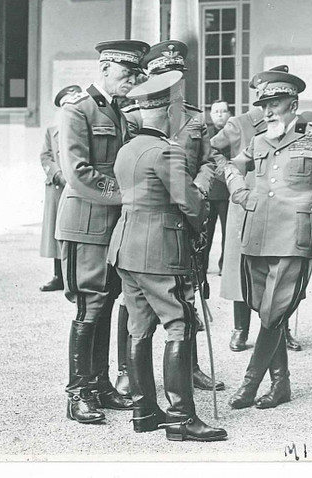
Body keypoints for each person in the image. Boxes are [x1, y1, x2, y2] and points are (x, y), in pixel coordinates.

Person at [223, 69, 312, 411]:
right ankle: (281, 384)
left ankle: (250, 384)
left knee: (274, 311)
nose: (268, 112)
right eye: (264, 105)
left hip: (295, 237)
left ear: (293, 104)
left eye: (275, 104)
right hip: (256, 236)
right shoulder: (258, 141)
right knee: (264, 310)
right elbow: (230, 167)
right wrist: (240, 193)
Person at [107, 70, 227, 441]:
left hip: (126, 248)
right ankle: (181, 418)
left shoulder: (127, 149)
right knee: (179, 323)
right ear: (167, 112)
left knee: (138, 327)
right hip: (160, 250)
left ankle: (145, 412)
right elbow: (190, 204)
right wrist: (201, 210)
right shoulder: (167, 151)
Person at [120, 40, 223, 394]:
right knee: (138, 301)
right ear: (152, 76)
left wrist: (198, 187)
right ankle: (125, 372)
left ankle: (189, 367)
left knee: (188, 291)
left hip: (188, 213)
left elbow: (209, 160)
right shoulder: (135, 115)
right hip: (152, 218)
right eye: (165, 73)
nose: (174, 80)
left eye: (178, 74)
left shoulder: (195, 116)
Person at [56, 39, 148, 424]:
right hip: (87, 223)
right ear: (106, 68)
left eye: (135, 75)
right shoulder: (77, 111)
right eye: (127, 74)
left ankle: (101, 384)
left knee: (108, 301)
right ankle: (78, 393)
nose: (132, 81)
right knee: (90, 305)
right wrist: (126, 195)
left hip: (113, 225)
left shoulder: (122, 115)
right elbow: (77, 173)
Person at [211, 66, 301, 353]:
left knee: (282, 271)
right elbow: (213, 151)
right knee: (242, 271)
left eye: (273, 101)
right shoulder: (239, 124)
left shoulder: (296, 125)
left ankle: (281, 330)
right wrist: (231, 177)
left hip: (280, 207)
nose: (267, 108)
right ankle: (240, 329)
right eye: (263, 99)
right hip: (246, 206)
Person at [38, 85, 81, 292]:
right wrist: (57, 173)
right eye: (65, 105)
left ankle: (77, 275)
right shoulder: (52, 130)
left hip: (79, 184)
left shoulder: (83, 126)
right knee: (57, 229)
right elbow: (45, 156)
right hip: (57, 186)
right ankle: (58, 275)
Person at [204, 100, 231, 275]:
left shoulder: (234, 132)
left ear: (229, 114)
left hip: (228, 190)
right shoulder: (205, 134)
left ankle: (225, 266)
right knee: (206, 232)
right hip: (209, 189)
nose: (220, 115)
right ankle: (202, 266)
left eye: (223, 111)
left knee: (228, 232)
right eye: (216, 112)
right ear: (211, 114)